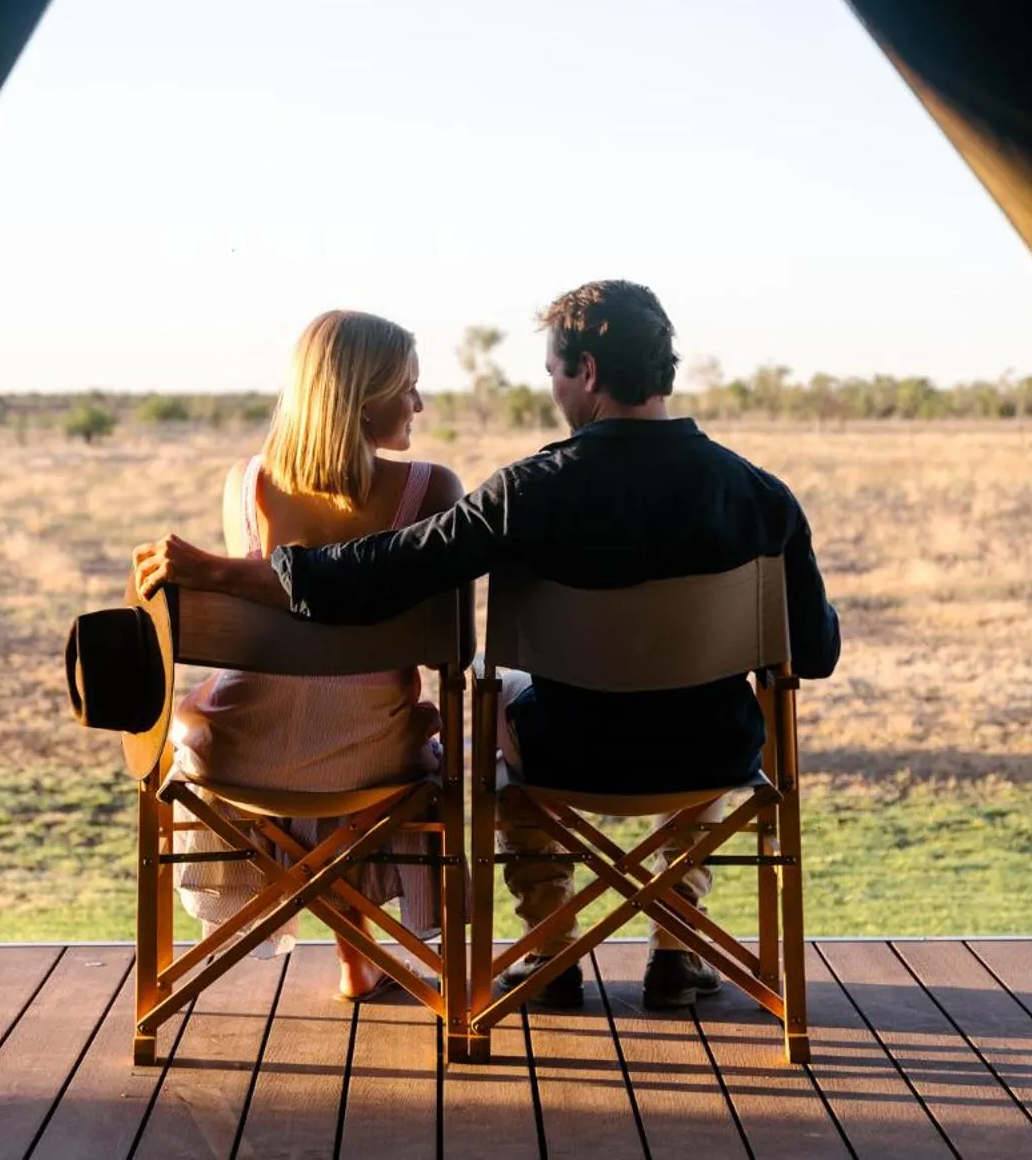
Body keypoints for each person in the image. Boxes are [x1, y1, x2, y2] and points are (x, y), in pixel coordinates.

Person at [135, 281, 841, 1011]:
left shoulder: (529, 492)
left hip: (566, 753)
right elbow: (814, 653)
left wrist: (224, 570)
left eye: (554, 373)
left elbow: (384, 569)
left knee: (499, 706)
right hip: (709, 752)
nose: (557, 390)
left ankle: (549, 947)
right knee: (707, 715)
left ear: (588, 373)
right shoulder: (764, 497)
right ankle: (677, 942)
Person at [163, 309, 464, 1002]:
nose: (419, 403)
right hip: (374, 756)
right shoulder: (432, 491)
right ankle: (357, 956)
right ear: (363, 402)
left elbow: (281, 624)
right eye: (409, 387)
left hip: (237, 754)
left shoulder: (244, 484)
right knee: (371, 724)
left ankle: (353, 956)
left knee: (270, 711)